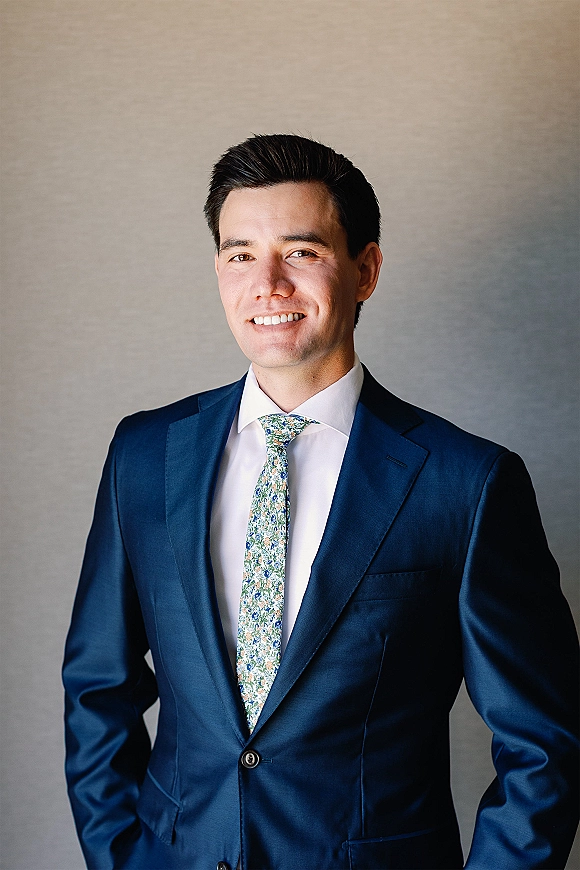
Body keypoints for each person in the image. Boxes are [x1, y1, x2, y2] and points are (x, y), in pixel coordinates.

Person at [63, 134, 579, 870]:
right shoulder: (144, 457)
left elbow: (544, 744)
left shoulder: (467, 482)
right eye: (240, 254)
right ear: (218, 269)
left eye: (300, 251)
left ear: (365, 269)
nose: (266, 283)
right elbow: (97, 688)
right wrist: (121, 857)